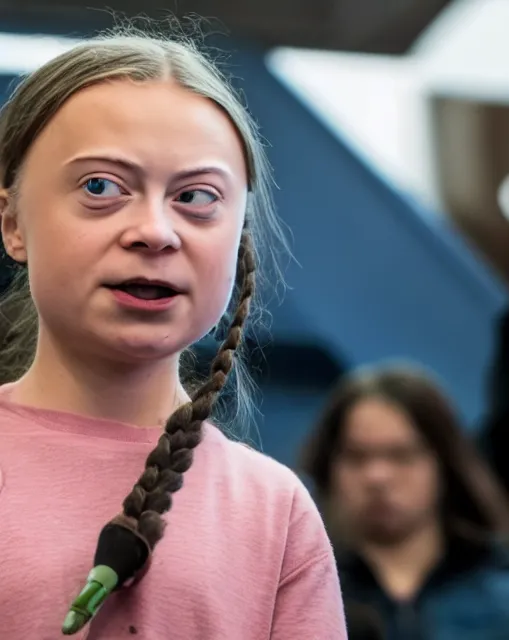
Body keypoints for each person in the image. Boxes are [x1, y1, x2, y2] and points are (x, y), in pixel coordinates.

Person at [0, 28, 346, 639]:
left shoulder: (273, 509)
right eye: (100, 186)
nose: (155, 231)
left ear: (238, 242)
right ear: (12, 221)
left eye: (196, 197)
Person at [300, 364, 509, 640]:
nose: (377, 477)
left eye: (401, 455)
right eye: (356, 456)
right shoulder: (304, 590)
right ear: (329, 467)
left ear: (443, 463)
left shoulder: (502, 593)